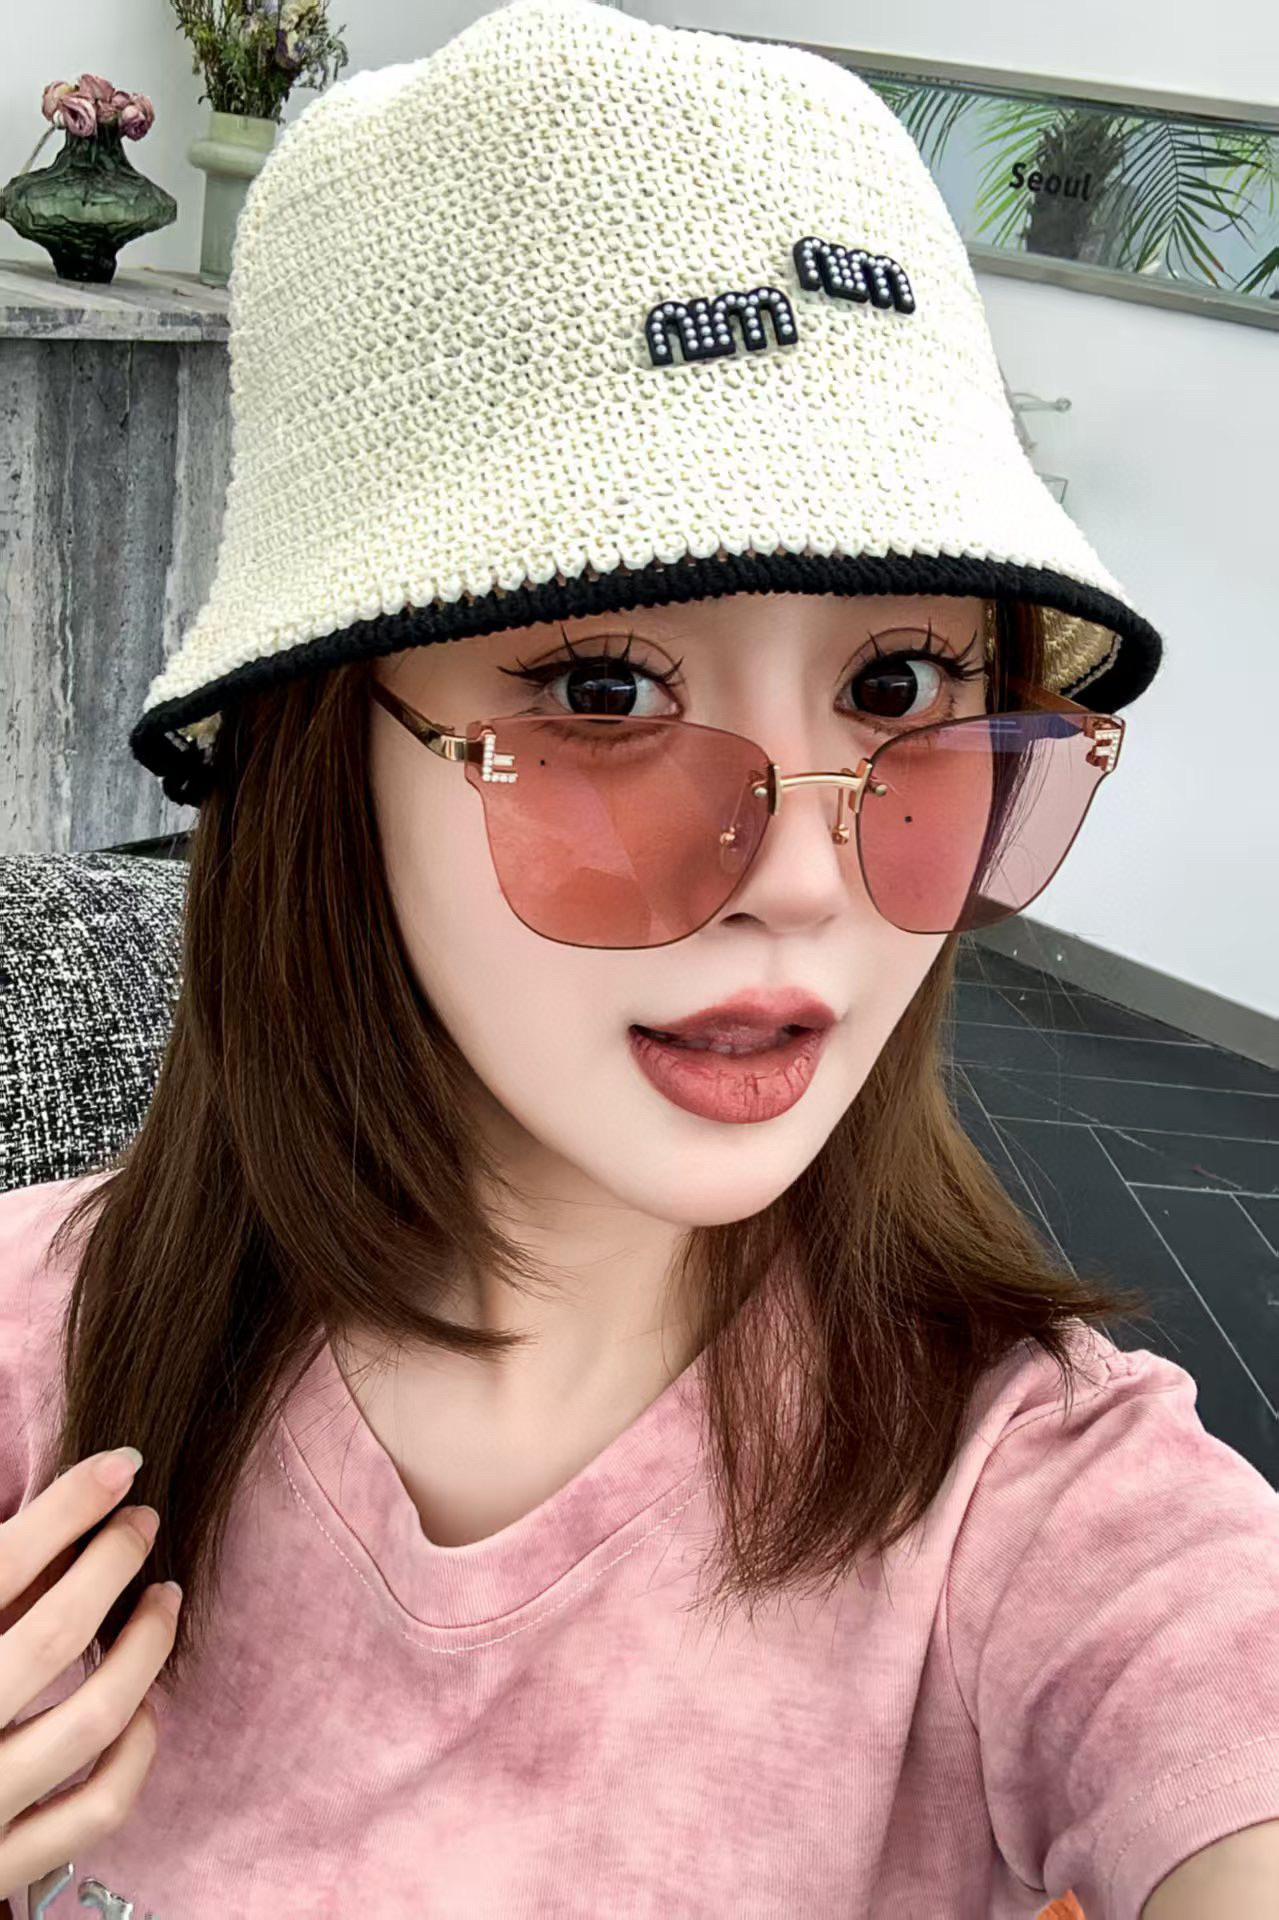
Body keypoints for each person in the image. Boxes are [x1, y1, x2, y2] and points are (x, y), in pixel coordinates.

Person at [0, 1, 1276, 1915]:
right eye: (606, 692)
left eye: (900, 686)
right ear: (323, 762)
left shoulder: (1050, 1511)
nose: (808, 878)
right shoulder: (43, 1353)